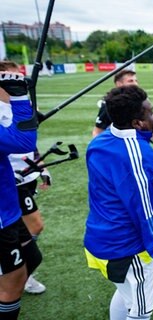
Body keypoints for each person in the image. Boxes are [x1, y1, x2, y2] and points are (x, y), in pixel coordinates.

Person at [84, 85, 153, 319]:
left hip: (98, 241)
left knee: (125, 293)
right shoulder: (140, 154)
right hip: (129, 250)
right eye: (150, 114)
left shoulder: (99, 142)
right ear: (137, 123)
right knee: (141, 312)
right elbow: (145, 210)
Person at [0, 65, 39, 319]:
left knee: (30, 259)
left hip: (7, 206)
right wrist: (21, 97)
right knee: (13, 282)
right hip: (1, 217)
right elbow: (24, 142)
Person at [9, 149, 50, 294]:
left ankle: (18, 273)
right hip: (11, 180)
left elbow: (30, 145)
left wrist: (43, 169)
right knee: (35, 226)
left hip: (26, 177)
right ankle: (17, 274)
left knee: (26, 229)